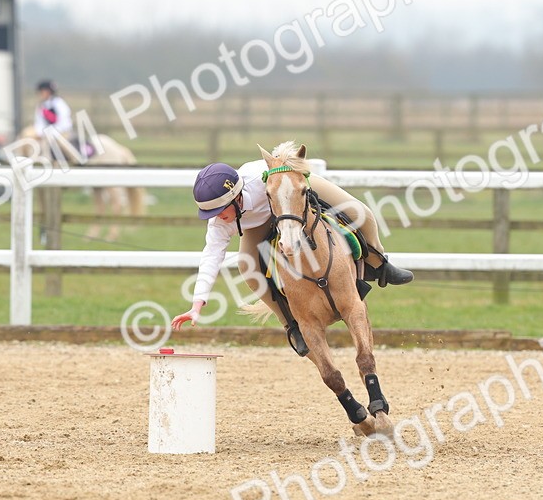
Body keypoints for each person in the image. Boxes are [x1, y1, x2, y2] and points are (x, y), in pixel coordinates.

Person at [170, 147, 413, 354]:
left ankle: (380, 264)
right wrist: (197, 304)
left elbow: (288, 165)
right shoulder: (219, 223)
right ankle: (291, 325)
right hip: (261, 219)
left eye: (219, 211)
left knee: (362, 213)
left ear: (236, 198)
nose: (216, 218)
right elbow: (211, 257)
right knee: (246, 265)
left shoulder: (259, 180)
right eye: (210, 214)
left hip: (288, 191)